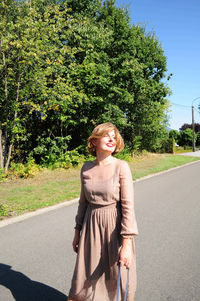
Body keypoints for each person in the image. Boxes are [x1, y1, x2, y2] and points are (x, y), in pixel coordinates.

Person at [68, 122, 138, 301]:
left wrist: (127, 244)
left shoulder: (121, 166)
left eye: (114, 137)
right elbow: (83, 203)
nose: (111, 140)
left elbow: (128, 206)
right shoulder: (86, 168)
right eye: (107, 135)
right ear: (94, 141)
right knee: (87, 277)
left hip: (114, 226)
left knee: (117, 276)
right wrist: (77, 232)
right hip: (90, 227)